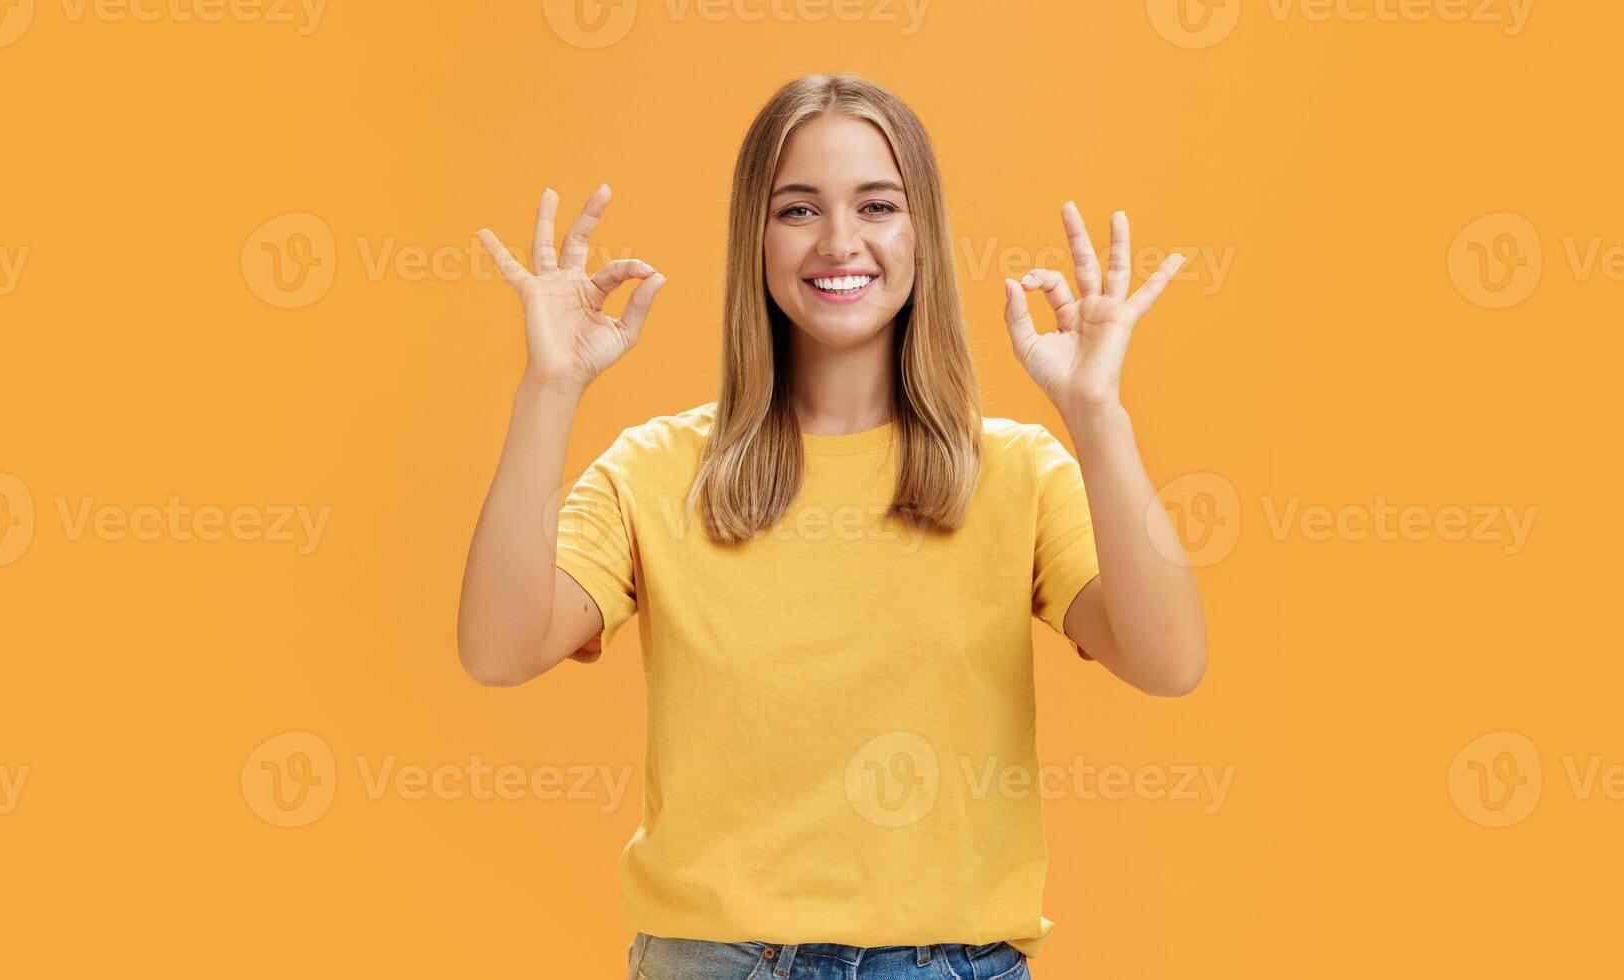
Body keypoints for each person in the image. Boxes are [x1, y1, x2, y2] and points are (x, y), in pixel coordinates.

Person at [457, 73, 1209, 979]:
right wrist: (550, 388)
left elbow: (1169, 662)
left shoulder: (1016, 472)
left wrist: (1096, 412)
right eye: (799, 209)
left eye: (878, 205)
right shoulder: (655, 470)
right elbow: (498, 649)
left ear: (921, 233)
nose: (841, 242)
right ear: (756, 239)